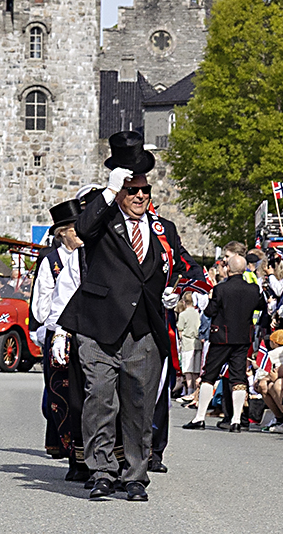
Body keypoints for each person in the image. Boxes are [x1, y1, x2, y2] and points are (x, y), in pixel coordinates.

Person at [56, 130, 189, 502]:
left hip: (143, 328)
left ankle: (134, 475)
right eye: (133, 190)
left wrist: (174, 290)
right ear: (120, 190)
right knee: (99, 399)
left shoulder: (164, 229)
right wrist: (109, 194)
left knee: (138, 405)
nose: (140, 197)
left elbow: (180, 266)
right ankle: (101, 470)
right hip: (99, 325)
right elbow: (81, 231)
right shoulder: (101, 219)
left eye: (145, 191)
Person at [32, 196, 87, 479]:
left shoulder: (91, 254)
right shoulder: (50, 261)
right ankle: (70, 451)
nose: (81, 233)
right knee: (61, 394)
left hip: (87, 331)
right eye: (75, 229)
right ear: (62, 232)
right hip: (59, 331)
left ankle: (89, 454)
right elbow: (40, 305)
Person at [185, 249, 265, 431]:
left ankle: (199, 418)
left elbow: (209, 312)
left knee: (209, 376)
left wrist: (213, 297)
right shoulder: (253, 289)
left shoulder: (221, 289)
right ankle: (236, 420)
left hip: (221, 337)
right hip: (242, 338)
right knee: (238, 379)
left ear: (228, 269)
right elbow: (261, 306)